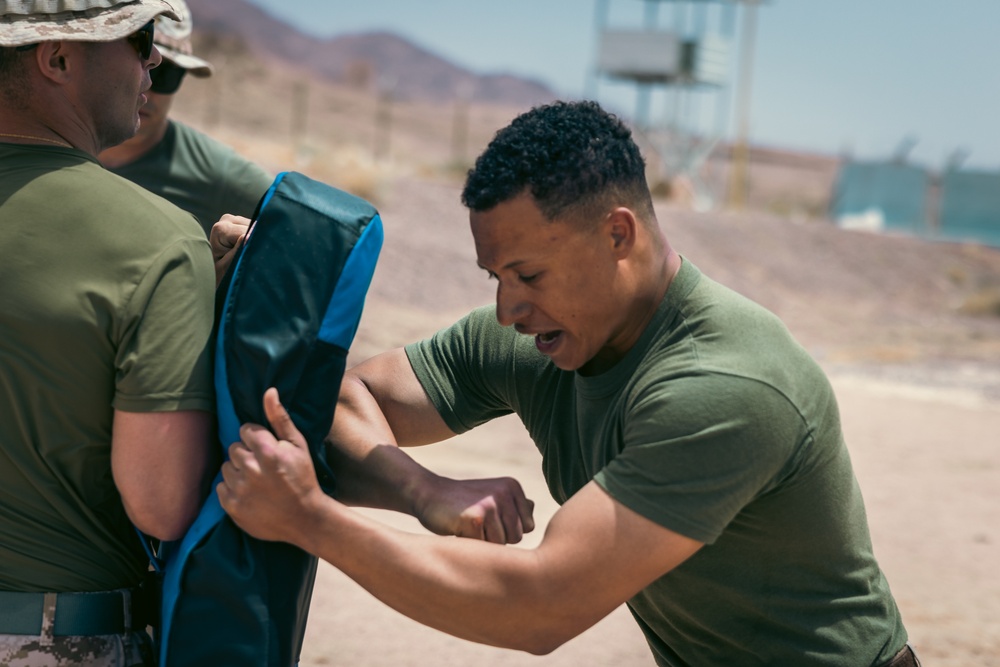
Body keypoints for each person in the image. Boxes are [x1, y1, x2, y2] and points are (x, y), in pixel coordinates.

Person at [217, 101, 921, 667]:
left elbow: (540, 606)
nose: (507, 310)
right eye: (496, 278)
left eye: (528, 274)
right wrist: (423, 489)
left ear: (619, 235)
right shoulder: (544, 333)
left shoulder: (727, 384)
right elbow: (344, 400)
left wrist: (311, 519)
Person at [0, 2, 217, 665]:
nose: (153, 58)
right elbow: (161, 503)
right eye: (141, 36)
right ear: (58, 57)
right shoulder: (157, 241)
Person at [98, 0, 273, 236]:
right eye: (135, 62)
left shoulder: (219, 174)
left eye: (165, 73)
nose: (146, 85)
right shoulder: (54, 142)